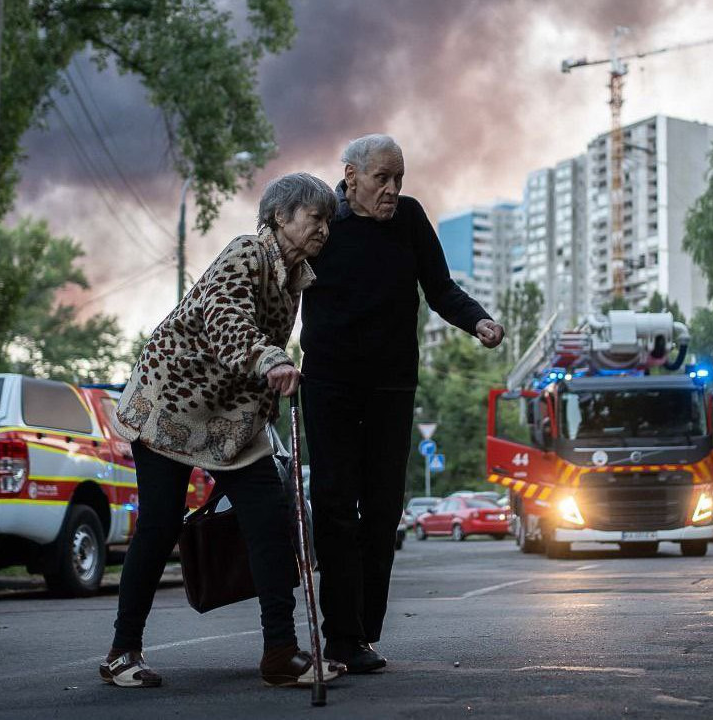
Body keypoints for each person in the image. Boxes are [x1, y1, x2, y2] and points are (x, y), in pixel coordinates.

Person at [100, 173, 345, 689]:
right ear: (281, 217)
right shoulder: (246, 253)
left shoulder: (294, 276)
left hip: (231, 420)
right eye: (314, 217)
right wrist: (272, 358)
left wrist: (269, 385)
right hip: (172, 405)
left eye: (328, 220)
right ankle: (123, 653)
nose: (324, 228)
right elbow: (227, 320)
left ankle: (280, 653)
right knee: (160, 524)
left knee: (271, 520)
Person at [300, 134, 505, 673]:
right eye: (381, 179)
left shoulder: (410, 220)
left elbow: (439, 287)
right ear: (350, 176)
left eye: (399, 179)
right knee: (335, 506)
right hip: (329, 385)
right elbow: (282, 283)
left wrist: (478, 320)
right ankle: (339, 635)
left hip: (391, 386)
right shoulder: (323, 223)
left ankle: (364, 632)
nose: (392, 190)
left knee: (384, 509)